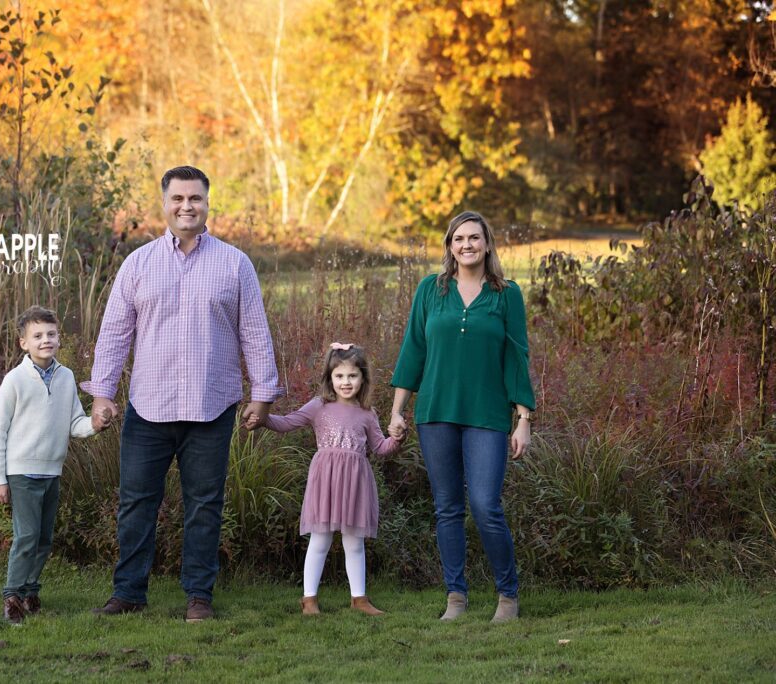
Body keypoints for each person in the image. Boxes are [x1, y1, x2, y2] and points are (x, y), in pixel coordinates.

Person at [82, 165, 282, 622]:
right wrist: (102, 393)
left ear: (208, 203)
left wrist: (262, 392)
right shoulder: (139, 263)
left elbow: (254, 332)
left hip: (212, 407)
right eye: (178, 199)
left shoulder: (234, 263)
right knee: (135, 503)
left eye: (195, 198)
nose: (186, 206)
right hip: (148, 407)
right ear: (165, 204)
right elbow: (114, 332)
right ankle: (129, 592)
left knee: (205, 505)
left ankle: (198, 596)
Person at [388, 210, 535, 623]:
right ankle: (456, 596)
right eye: (458, 239)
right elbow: (414, 349)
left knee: (486, 504)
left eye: (474, 238)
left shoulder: (507, 294)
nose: (466, 245)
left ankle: (507, 596)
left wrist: (523, 418)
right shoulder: (430, 291)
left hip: (487, 414)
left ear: (487, 243)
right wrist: (397, 411)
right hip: (435, 412)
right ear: (449, 247)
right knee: (447, 507)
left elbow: (517, 357)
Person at [246, 343, 400, 616]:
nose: (346, 382)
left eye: (352, 376)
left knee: (354, 541)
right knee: (320, 540)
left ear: (363, 378)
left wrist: (397, 438)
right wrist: (263, 418)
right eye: (339, 376)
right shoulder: (319, 406)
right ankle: (309, 599)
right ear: (330, 378)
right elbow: (288, 423)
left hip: (355, 482)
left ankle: (359, 599)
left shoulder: (367, 413)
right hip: (325, 481)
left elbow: (380, 448)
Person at [0, 305, 101, 624]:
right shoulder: (15, 380)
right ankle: (11, 595)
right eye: (37, 336)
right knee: (26, 535)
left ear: (58, 338)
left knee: (43, 538)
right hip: (21, 472)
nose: (45, 340)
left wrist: (96, 423)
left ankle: (30, 590)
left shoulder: (66, 378)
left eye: (51, 334)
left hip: (52, 471)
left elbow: (75, 423)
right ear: (24, 342)